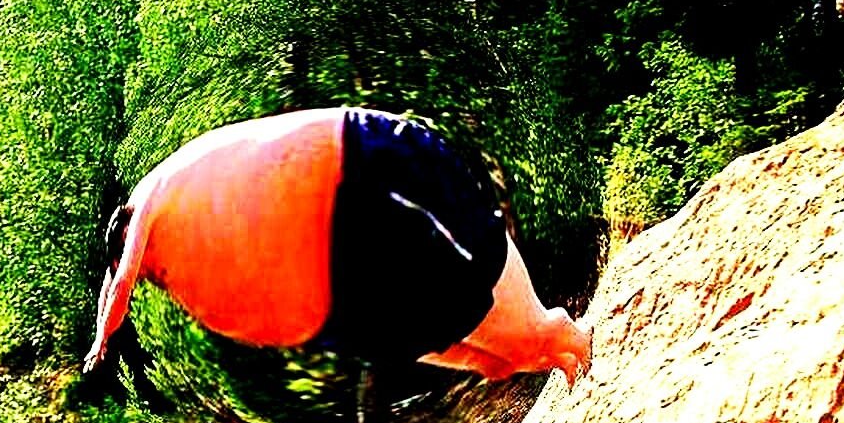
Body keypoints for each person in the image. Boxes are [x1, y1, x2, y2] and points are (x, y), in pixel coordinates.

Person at [82, 107, 591, 386]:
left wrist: (101, 341)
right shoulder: (184, 255)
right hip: (345, 306)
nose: (149, 271)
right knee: (494, 362)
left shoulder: (151, 194)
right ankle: (552, 348)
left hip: (359, 177)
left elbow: (121, 281)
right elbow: (121, 276)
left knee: (503, 308)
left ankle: (562, 335)